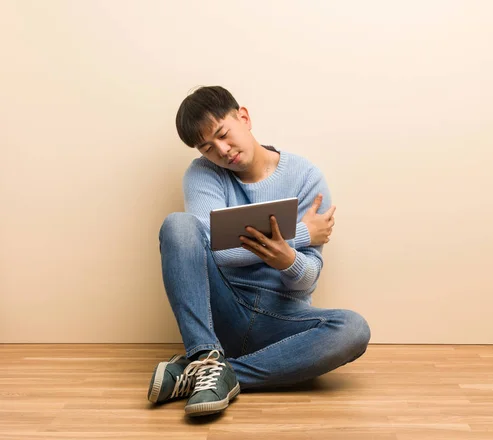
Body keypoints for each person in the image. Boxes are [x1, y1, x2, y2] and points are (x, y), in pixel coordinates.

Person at [147, 85, 371, 417]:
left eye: (223, 134)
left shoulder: (305, 177)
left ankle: (215, 374)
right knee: (178, 225)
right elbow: (216, 251)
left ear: (244, 117)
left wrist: (289, 260)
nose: (222, 151)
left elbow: (306, 282)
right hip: (222, 310)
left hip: (282, 319)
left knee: (354, 329)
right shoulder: (203, 174)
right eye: (207, 148)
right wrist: (301, 234)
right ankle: (206, 357)